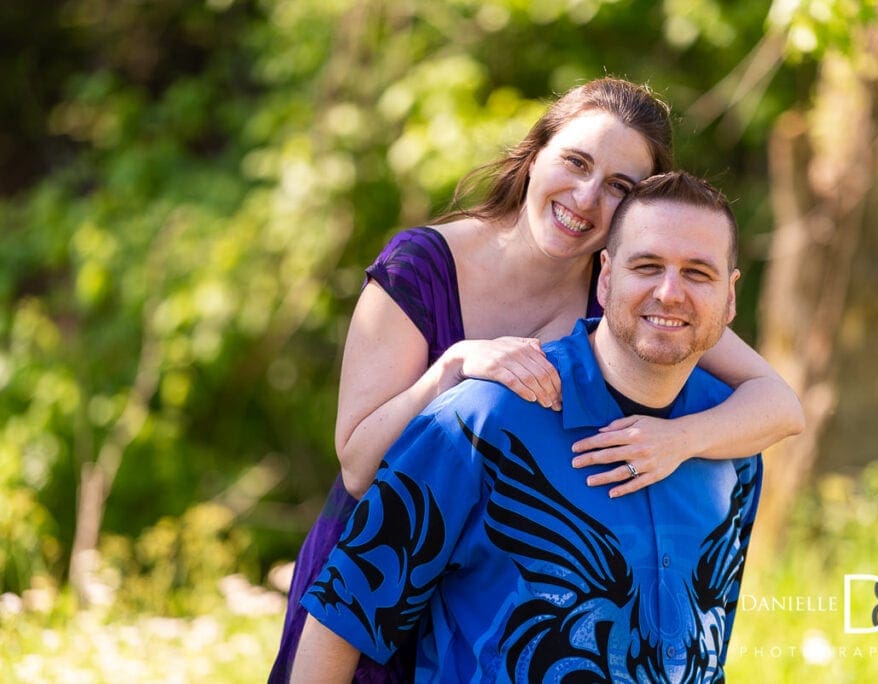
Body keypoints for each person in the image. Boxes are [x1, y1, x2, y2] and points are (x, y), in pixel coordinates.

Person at [270, 78, 803, 681]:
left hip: (497, 586)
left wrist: (677, 441)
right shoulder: (421, 267)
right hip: (386, 561)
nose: (586, 195)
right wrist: (449, 370)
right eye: (575, 162)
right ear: (536, 154)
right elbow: (358, 467)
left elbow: (780, 404)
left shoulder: (634, 293)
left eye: (618, 187)